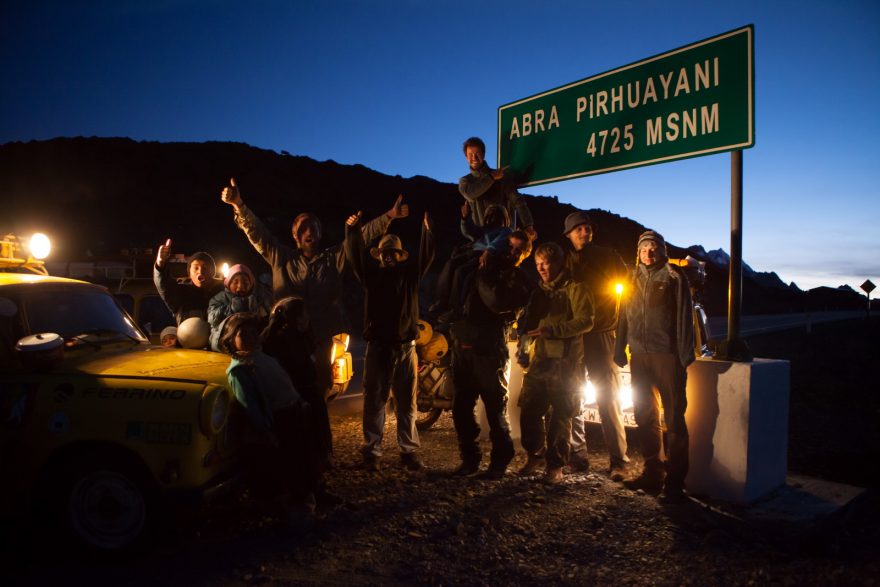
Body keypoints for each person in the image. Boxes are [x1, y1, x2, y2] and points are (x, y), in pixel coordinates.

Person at [220, 178, 409, 401]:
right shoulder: (280, 256)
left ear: (320, 234)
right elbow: (257, 232)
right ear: (294, 235)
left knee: (319, 392)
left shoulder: (333, 258)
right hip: (287, 341)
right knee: (285, 393)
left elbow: (361, 237)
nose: (309, 231)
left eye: (314, 227)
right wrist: (239, 206)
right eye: (303, 227)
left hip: (323, 339)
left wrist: (389, 216)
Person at [344, 207, 435, 472]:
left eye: (393, 252)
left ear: (399, 255)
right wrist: (352, 230)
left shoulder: (410, 277)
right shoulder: (370, 277)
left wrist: (427, 232)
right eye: (384, 252)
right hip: (378, 347)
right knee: (375, 399)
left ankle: (408, 451)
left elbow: (426, 257)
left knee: (407, 402)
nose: (389, 256)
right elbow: (356, 256)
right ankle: (372, 451)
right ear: (379, 255)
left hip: (406, 348)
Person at [614, 230, 695, 504]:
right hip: (639, 356)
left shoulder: (673, 277)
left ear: (662, 251)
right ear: (638, 252)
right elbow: (623, 314)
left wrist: (684, 356)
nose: (649, 252)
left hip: (667, 356)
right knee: (644, 414)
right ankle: (653, 471)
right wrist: (619, 348)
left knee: (673, 417)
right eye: (644, 248)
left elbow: (686, 316)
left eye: (654, 248)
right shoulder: (631, 278)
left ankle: (675, 481)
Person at [219, 312, 319, 527]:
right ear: (230, 340)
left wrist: (300, 402)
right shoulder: (239, 370)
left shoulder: (264, 358)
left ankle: (306, 503)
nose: (250, 336)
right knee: (287, 467)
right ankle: (292, 514)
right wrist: (266, 430)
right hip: (279, 420)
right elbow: (250, 405)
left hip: (293, 413)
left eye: (253, 331)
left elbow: (284, 383)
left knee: (301, 459)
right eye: (242, 333)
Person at [449, 230, 533, 479]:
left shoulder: (519, 281)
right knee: (461, 408)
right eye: (510, 246)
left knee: (495, 409)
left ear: (524, 256)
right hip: (463, 347)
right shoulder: (480, 264)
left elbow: (495, 301)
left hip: (490, 351)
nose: (512, 252)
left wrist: (484, 270)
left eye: (519, 250)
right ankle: (469, 460)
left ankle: (500, 461)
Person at [517, 242, 594, 485]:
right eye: (537, 264)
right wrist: (523, 349)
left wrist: (554, 330)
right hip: (540, 360)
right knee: (529, 409)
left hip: (566, 362)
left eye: (546, 263)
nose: (540, 268)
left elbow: (586, 321)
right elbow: (529, 325)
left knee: (561, 415)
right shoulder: (539, 291)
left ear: (559, 263)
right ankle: (535, 455)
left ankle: (555, 466)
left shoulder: (576, 288)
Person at [562, 211, 630, 481]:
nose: (584, 232)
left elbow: (628, 292)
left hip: (602, 334)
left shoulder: (609, 256)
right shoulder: (564, 261)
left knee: (609, 398)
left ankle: (619, 460)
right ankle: (577, 457)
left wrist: (621, 337)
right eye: (577, 228)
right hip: (574, 337)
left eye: (587, 227)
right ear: (568, 235)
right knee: (572, 396)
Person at [262, 296, 341, 510]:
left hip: (310, 395)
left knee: (314, 446)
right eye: (303, 313)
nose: (307, 318)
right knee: (304, 448)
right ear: (293, 317)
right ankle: (306, 497)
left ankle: (317, 490)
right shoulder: (283, 339)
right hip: (299, 399)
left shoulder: (301, 335)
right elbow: (292, 367)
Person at [458, 137, 537, 241]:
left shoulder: (501, 176)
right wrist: (491, 178)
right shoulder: (465, 181)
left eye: (477, 153)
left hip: (505, 239)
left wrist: (528, 225)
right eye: (470, 155)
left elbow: (517, 200)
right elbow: (470, 194)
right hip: (481, 240)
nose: (474, 157)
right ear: (466, 157)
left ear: (483, 154)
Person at [153, 238, 222, 325]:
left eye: (205, 267)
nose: (200, 271)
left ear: (213, 272)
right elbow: (164, 285)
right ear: (189, 273)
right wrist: (160, 263)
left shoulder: (223, 293)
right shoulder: (181, 294)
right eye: (196, 268)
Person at [207, 263, 272, 352]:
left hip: (255, 340)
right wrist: (231, 309)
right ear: (228, 283)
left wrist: (258, 311)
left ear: (251, 283)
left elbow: (271, 313)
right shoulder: (219, 298)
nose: (240, 286)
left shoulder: (260, 296)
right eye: (235, 282)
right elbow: (212, 319)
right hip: (225, 341)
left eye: (245, 282)